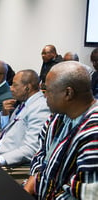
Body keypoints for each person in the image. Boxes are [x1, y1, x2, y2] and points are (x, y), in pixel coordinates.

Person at [24, 61, 98, 199]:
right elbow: (40, 155)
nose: (44, 95)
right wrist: (34, 181)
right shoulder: (57, 117)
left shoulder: (93, 131)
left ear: (68, 93)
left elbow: (87, 194)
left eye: (47, 90)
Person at [0, 70, 50, 167]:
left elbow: (32, 148)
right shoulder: (23, 104)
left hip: (8, 162)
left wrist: (0, 159)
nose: (11, 89)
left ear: (27, 88)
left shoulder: (40, 108)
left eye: (14, 85)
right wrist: (5, 114)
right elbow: (6, 131)